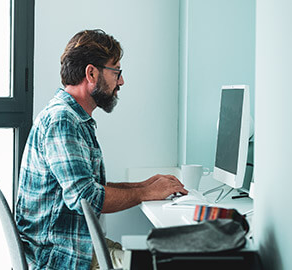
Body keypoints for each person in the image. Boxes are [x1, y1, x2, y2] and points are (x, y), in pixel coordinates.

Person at [15, 29, 188, 270]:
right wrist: (145, 194)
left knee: (160, 256)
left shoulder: (73, 118)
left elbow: (89, 187)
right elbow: (86, 198)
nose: (121, 81)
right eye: (116, 71)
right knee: (167, 263)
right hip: (60, 257)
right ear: (91, 73)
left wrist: (145, 186)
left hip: (70, 246)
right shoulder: (63, 121)